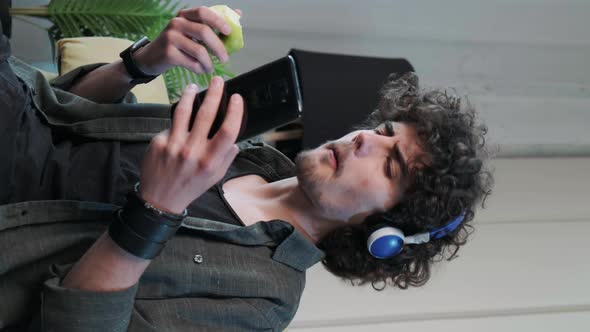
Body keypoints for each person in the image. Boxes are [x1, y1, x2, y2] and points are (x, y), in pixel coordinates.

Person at [0, 6, 493, 332]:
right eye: (385, 131)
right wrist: (140, 65)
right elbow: (63, 117)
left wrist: (155, 209)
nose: (366, 139)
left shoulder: (262, 301)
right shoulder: (241, 147)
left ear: (379, 233)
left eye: (390, 165)